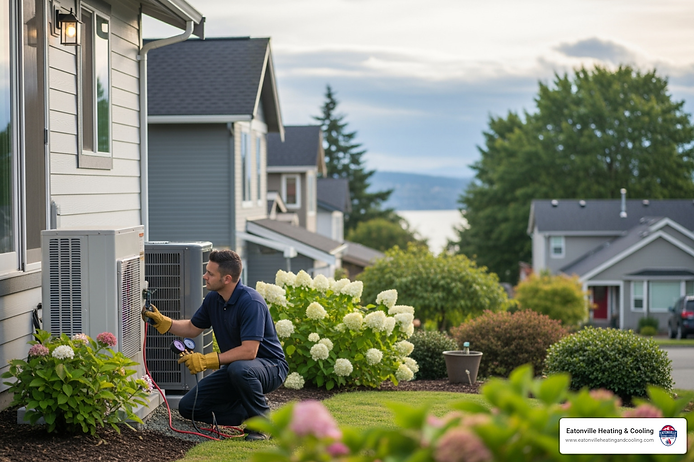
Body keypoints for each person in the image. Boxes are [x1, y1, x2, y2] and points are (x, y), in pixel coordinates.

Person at [142, 249, 288, 441]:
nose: (205, 276)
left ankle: (261, 425)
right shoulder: (214, 299)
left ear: (227, 279)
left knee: (239, 369)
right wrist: (164, 322)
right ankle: (247, 409)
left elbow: (250, 351)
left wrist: (206, 361)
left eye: (210, 273)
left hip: (270, 366)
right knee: (189, 407)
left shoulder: (251, 302)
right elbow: (193, 327)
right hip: (238, 368)